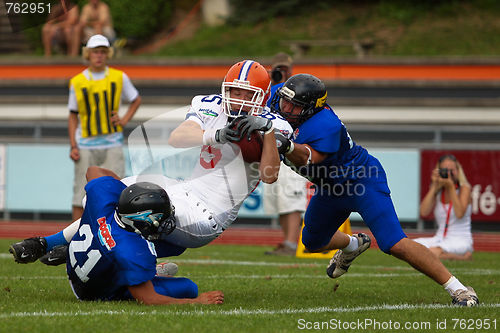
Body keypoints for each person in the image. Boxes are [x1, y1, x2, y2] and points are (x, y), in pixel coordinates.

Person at [10, 60, 291, 264]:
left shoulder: (276, 125)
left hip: (209, 213)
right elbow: (178, 137)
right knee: (104, 189)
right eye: (234, 91)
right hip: (185, 189)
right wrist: (215, 134)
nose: (238, 100)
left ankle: (56, 245)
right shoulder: (211, 104)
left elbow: (269, 175)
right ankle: (57, 246)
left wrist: (265, 132)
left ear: (262, 96)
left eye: (246, 94)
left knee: (133, 205)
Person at [269, 73, 479, 306]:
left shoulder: (325, 124)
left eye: (294, 106)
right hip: (329, 187)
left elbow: (306, 158)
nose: (285, 107)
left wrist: (284, 144)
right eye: (284, 100)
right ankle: (353, 245)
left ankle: (459, 289)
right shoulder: (278, 97)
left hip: (361, 180)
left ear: (310, 109)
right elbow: (259, 91)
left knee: (394, 243)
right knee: (312, 241)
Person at [68, 34, 141, 221]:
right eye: (95, 52)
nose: (99, 55)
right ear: (88, 54)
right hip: (85, 144)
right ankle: (75, 237)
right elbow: (73, 115)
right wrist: (73, 145)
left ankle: (114, 234)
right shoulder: (77, 81)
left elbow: (136, 99)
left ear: (107, 54)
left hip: (112, 142)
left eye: (102, 52)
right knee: (80, 193)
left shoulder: (119, 77)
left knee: (117, 190)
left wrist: (124, 120)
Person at [263, 52, 308, 256]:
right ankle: (287, 242)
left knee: (291, 198)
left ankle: (292, 243)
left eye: (285, 69)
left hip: (290, 146)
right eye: (278, 69)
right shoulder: (265, 88)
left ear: (291, 70)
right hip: (272, 148)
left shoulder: (298, 89)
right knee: (278, 199)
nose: (283, 73)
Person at [415, 154, 473, 260]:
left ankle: (463, 257)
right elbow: (423, 212)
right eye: (445, 170)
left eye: (452, 170)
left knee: (432, 251)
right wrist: (434, 186)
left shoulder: (464, 188)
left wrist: (450, 187)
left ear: (458, 171)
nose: (449, 174)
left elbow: (460, 213)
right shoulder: (438, 190)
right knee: (412, 246)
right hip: (440, 238)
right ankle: (456, 257)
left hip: (460, 239)